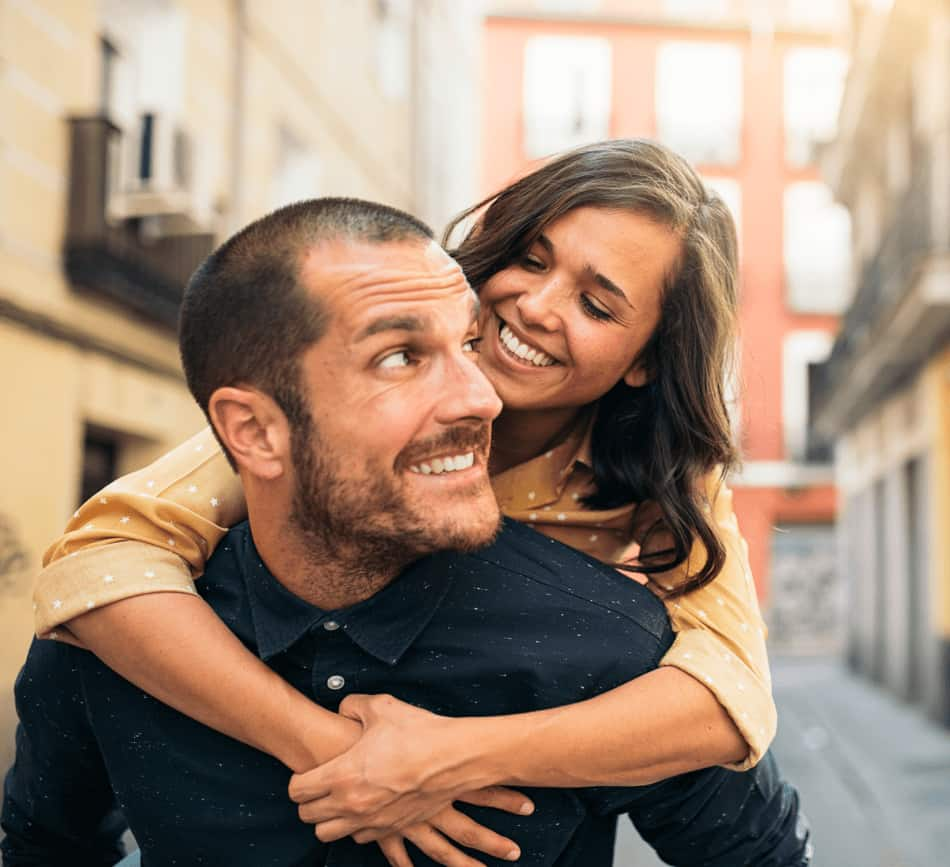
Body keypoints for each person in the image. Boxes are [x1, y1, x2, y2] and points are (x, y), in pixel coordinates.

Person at [3, 197, 810, 866]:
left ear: (646, 360)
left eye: (597, 304)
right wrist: (330, 747)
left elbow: (730, 702)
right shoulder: (128, 629)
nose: (531, 309)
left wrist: (453, 756)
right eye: (401, 357)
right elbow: (97, 562)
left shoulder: (619, 607)